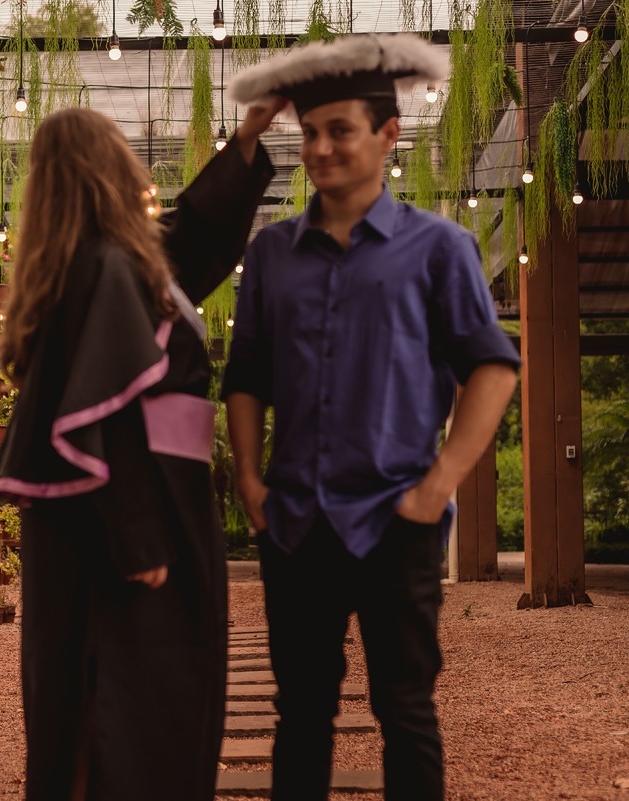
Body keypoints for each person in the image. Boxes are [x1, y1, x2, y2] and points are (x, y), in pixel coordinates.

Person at [223, 34, 522, 801]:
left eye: (341, 131)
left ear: (388, 135)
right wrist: (250, 480)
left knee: (406, 709)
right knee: (302, 715)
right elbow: (246, 375)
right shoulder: (271, 256)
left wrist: (439, 484)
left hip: (399, 518)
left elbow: (492, 366)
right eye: (311, 132)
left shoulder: (439, 249)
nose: (320, 148)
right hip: (293, 522)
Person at [0, 103, 281, 800]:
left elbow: (198, 236)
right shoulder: (102, 265)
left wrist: (245, 142)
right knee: (125, 706)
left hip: (144, 507)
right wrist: (140, 535)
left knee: (131, 702)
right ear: (103, 167)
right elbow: (108, 410)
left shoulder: (118, 259)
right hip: (132, 522)